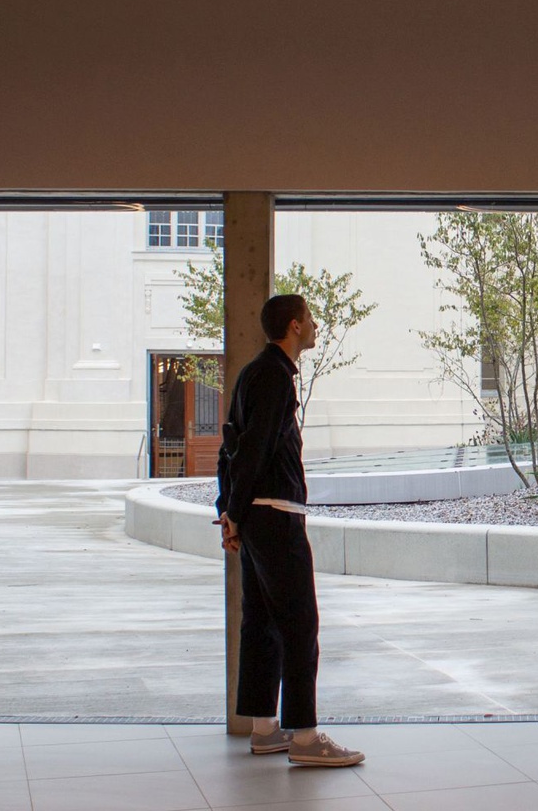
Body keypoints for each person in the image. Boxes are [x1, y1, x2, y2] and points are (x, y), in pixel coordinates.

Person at [215, 293, 364, 767]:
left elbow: (231, 447)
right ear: (295, 326)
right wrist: (233, 511)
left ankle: (265, 729)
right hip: (276, 514)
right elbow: (254, 448)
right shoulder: (274, 376)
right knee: (300, 624)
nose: (316, 325)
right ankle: (305, 737)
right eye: (311, 318)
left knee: (261, 621)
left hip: (257, 515)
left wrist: (231, 511)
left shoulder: (253, 373)